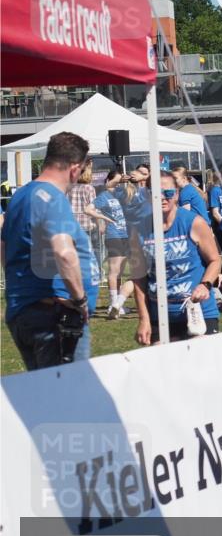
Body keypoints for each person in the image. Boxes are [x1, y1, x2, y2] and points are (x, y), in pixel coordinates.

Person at [1, 132, 99, 370]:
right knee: (67, 389)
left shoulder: (21, 195)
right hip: (54, 315)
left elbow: (3, 245)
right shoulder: (52, 197)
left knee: (45, 388)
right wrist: (80, 299)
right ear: (74, 169)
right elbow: (64, 253)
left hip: (27, 310)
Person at [134, 171, 222, 344]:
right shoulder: (140, 229)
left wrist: (205, 285)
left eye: (168, 193)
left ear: (176, 194)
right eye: (156, 193)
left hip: (198, 311)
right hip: (160, 315)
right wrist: (143, 319)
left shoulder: (194, 222)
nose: (162, 198)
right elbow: (139, 279)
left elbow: (215, 260)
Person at [87, 169, 133, 318]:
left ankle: (117, 304)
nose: (118, 184)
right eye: (116, 180)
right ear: (108, 180)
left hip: (125, 235)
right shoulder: (103, 196)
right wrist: (103, 218)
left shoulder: (119, 194)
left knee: (120, 271)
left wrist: (125, 180)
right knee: (114, 271)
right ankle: (113, 304)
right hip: (114, 235)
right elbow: (88, 209)